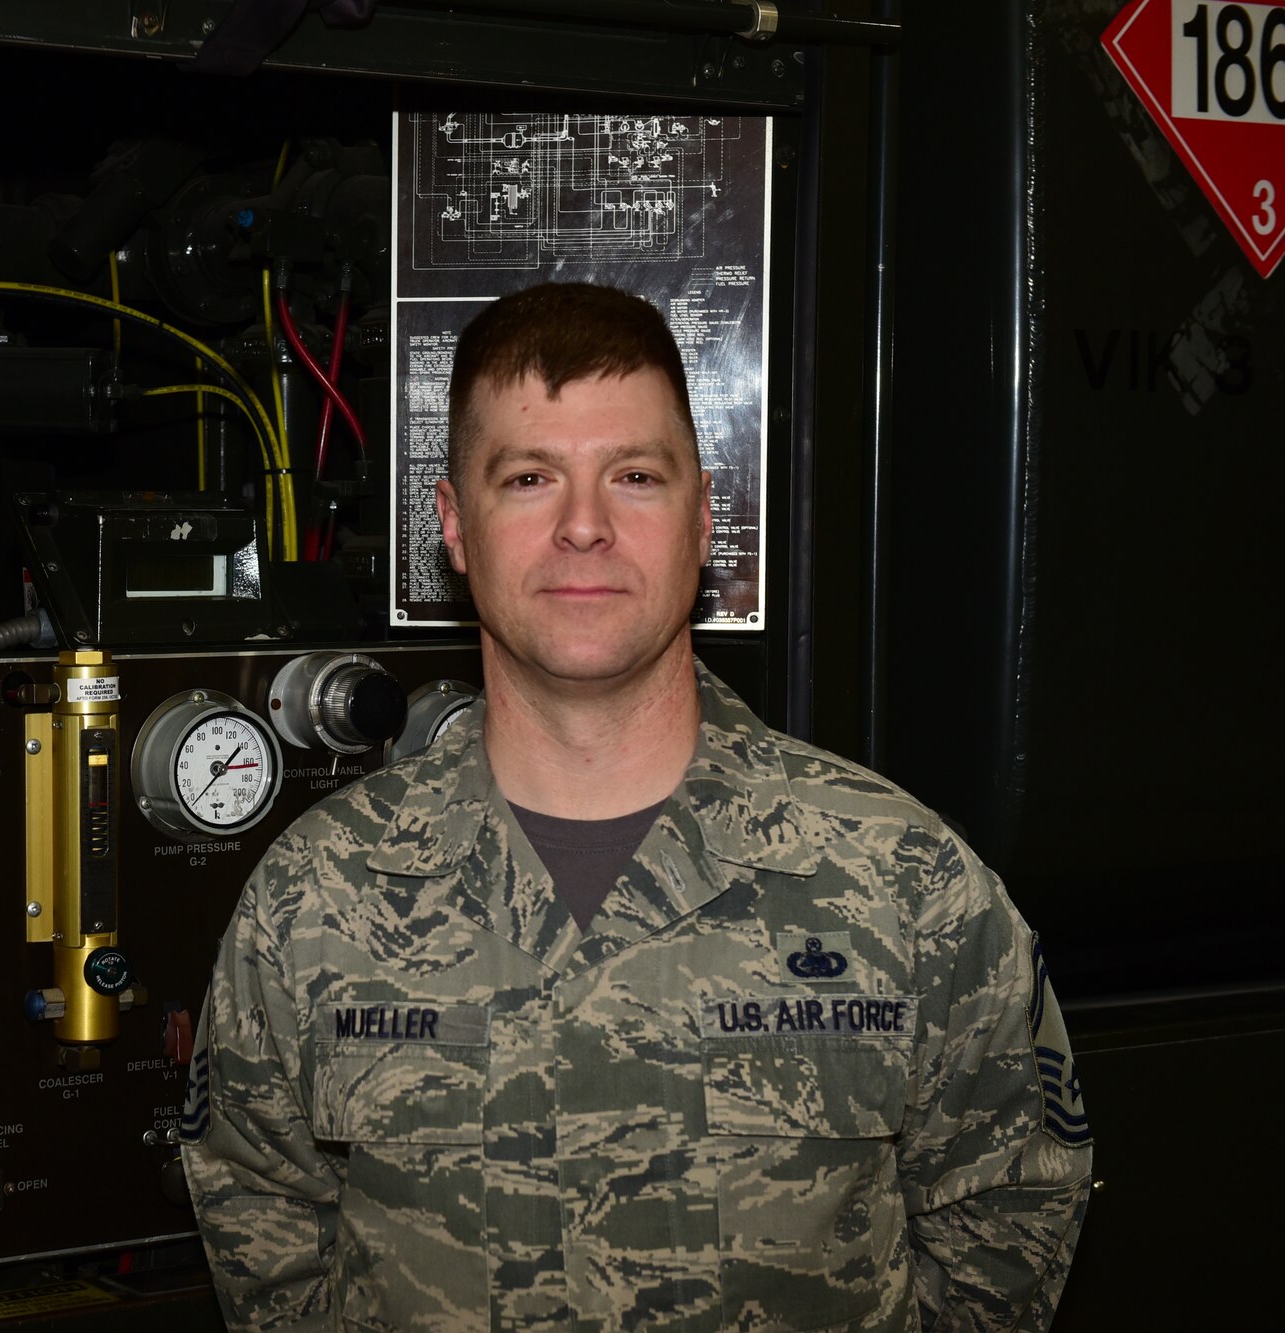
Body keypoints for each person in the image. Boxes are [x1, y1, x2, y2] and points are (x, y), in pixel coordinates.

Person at [180, 282, 1091, 1331]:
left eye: (633, 476)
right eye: (527, 477)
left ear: (703, 517)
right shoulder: (313, 899)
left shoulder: (905, 882)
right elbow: (264, 1229)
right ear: (452, 528)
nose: (582, 526)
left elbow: (1005, 1222)